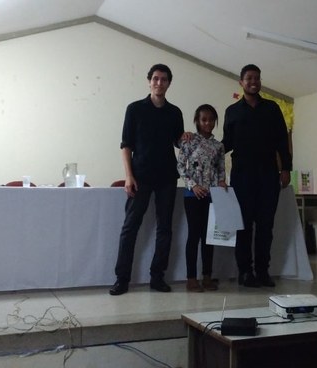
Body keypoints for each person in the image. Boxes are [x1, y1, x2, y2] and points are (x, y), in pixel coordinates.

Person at [110, 64, 184, 296]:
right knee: (130, 227)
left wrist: (187, 138)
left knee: (165, 229)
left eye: (164, 79)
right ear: (149, 81)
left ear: (169, 83)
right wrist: (128, 176)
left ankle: (157, 277)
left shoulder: (175, 112)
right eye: (155, 78)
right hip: (140, 177)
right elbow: (126, 145)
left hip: (167, 177)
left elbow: (179, 142)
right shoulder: (134, 109)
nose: (159, 83)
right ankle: (122, 279)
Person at [222, 64, 292, 287]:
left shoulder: (272, 108)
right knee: (243, 225)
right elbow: (227, 143)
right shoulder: (232, 111)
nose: (254, 82)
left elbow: (282, 141)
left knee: (265, 225)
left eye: (257, 78)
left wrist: (286, 169)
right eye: (249, 78)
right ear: (241, 82)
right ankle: (245, 272)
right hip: (242, 176)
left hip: (268, 175)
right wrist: (205, 145)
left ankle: (263, 271)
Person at [177, 104, 227, 292]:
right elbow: (180, 167)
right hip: (192, 195)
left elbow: (220, 168)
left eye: (211, 119)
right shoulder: (188, 141)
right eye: (204, 119)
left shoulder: (218, 145)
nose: (208, 123)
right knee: (194, 235)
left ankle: (207, 277)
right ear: (197, 121)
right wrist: (193, 185)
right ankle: (191, 279)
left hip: (212, 196)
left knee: (209, 237)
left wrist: (221, 181)